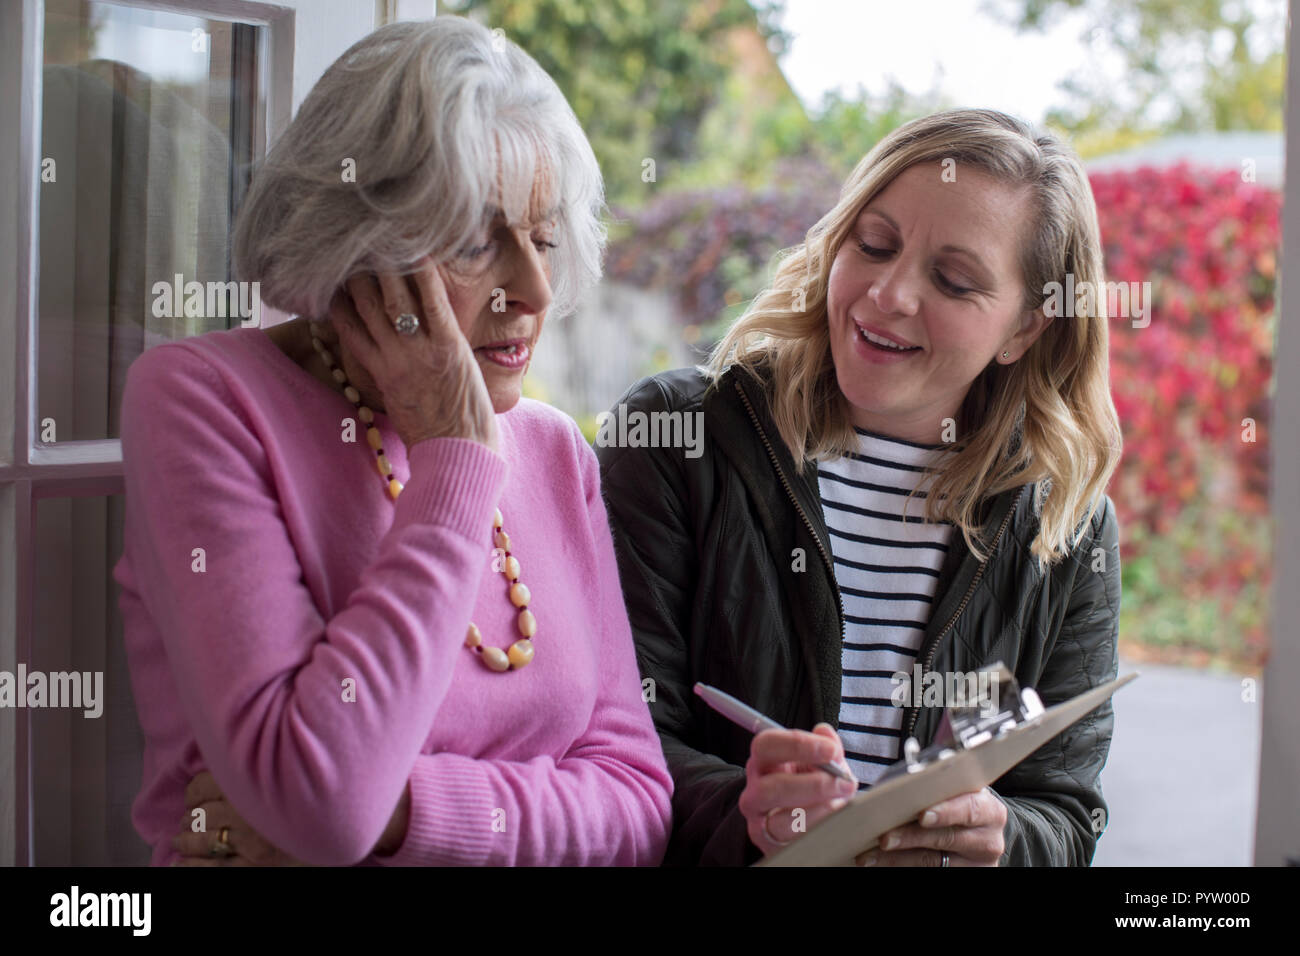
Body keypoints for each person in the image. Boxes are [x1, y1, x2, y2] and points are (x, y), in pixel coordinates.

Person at [114, 16, 671, 867]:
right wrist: (453, 456)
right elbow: (326, 798)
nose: (532, 288)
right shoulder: (203, 399)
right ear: (355, 242)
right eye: (477, 243)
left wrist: (406, 813)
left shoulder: (557, 452)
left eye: (545, 239)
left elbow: (638, 807)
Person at [597, 108, 1122, 867]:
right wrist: (746, 816)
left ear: (1024, 331)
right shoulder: (677, 439)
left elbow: (1068, 816)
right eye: (873, 244)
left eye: (953, 279)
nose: (888, 293)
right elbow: (606, 744)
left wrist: (1002, 839)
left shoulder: (1066, 529)